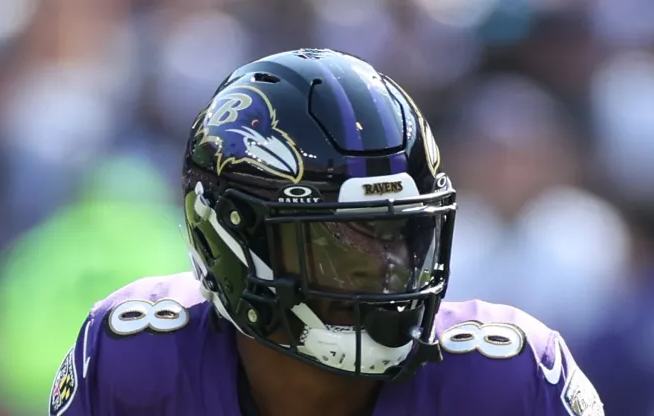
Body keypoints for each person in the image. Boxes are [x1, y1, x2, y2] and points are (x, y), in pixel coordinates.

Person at [48, 48, 603, 416]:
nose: (388, 266)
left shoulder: (506, 382)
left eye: (402, 233)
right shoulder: (137, 367)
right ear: (233, 244)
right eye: (342, 239)